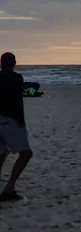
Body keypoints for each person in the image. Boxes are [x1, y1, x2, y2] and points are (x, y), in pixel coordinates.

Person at [0, 52, 33, 202]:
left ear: (1, 63)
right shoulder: (17, 78)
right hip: (11, 120)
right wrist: (21, 121)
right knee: (26, 154)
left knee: (1, 153)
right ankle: (9, 188)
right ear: (14, 63)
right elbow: (17, 101)